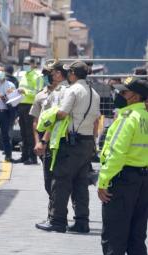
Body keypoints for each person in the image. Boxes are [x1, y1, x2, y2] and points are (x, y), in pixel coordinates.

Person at [87, 77, 148, 255]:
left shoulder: (128, 117)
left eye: (124, 93)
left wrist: (103, 182)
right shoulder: (146, 117)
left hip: (122, 181)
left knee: (114, 234)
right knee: (137, 236)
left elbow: (116, 153)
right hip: (143, 182)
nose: (120, 96)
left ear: (136, 97)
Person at [35, 60, 101, 233]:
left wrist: (48, 114)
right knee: (81, 183)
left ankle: (57, 221)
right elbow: (96, 119)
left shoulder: (73, 90)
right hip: (87, 141)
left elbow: (63, 113)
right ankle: (82, 221)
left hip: (71, 141)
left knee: (61, 180)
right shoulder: (94, 92)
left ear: (72, 74)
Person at [31, 61, 68, 194]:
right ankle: (54, 204)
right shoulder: (40, 95)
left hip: (59, 138)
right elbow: (35, 121)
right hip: (44, 139)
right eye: (45, 74)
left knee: (60, 178)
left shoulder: (66, 93)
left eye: (50, 73)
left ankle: (56, 208)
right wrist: (38, 142)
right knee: (48, 178)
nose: (48, 76)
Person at [18, 56, 44, 164]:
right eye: (24, 63)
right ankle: (24, 156)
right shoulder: (23, 75)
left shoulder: (38, 76)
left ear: (34, 65)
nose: (26, 65)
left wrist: (26, 92)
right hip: (21, 105)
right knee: (23, 132)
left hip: (31, 106)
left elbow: (38, 92)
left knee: (30, 133)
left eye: (28, 63)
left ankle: (32, 157)